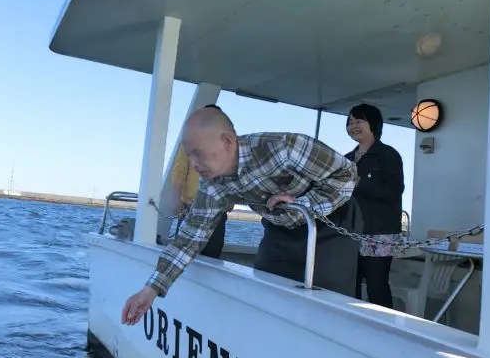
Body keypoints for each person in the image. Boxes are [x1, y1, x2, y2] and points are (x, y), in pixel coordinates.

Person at [122, 106, 360, 325]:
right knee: (265, 291)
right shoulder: (213, 185)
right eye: (189, 156)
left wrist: (305, 205)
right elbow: (189, 238)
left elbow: (347, 174)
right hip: (279, 227)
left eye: (198, 154)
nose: (193, 164)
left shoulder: (284, 148)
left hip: (331, 223)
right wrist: (150, 290)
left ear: (227, 141)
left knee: (328, 303)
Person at [345, 103, 405, 309]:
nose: (353, 126)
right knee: (348, 284)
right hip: (349, 232)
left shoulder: (388, 155)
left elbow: (394, 191)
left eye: (359, 121)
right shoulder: (346, 159)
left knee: (377, 287)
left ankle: (384, 325)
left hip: (380, 234)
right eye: (350, 122)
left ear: (374, 124)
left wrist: (360, 182)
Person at [170, 103, 227, 258]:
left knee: (212, 256)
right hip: (191, 209)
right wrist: (176, 201)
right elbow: (179, 172)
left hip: (217, 213)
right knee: (183, 255)